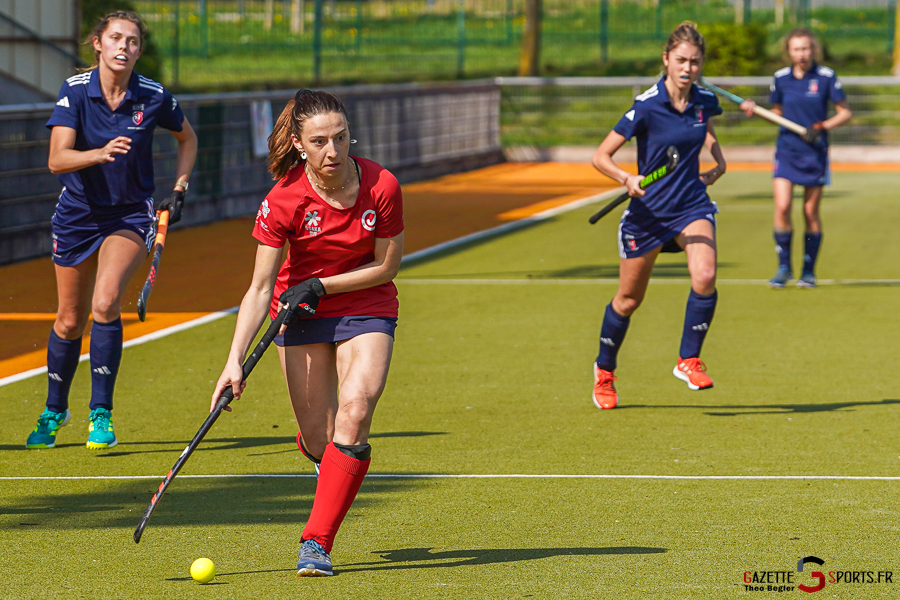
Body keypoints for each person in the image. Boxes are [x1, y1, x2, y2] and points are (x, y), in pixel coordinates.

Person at [211, 89, 404, 577]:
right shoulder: (283, 199)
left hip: (365, 303)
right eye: (319, 142)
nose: (333, 151)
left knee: (355, 412)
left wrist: (322, 284)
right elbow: (259, 289)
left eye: (341, 137)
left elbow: (386, 266)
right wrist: (233, 361)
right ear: (298, 144)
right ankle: (318, 451)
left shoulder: (381, 185)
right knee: (323, 440)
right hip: (300, 314)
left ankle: (316, 542)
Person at [26, 11, 197, 449]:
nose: (124, 46)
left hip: (129, 215)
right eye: (116, 38)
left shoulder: (153, 95)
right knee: (69, 319)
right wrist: (97, 153)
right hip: (77, 215)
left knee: (104, 303)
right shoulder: (75, 90)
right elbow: (56, 159)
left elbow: (188, 138)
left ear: (139, 50)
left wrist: (179, 188)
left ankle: (100, 413)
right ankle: (54, 409)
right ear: (98, 43)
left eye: (133, 41)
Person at [590, 22, 727, 409]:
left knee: (705, 274)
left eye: (695, 62)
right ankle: (604, 370)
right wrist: (626, 178)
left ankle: (688, 360)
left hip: (691, 204)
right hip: (648, 214)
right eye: (681, 60)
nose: (688, 68)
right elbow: (601, 156)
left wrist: (719, 162)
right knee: (628, 300)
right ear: (666, 59)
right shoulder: (646, 105)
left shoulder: (703, 99)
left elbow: (705, 127)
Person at [739, 28, 852, 289]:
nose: (802, 54)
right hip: (787, 150)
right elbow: (777, 111)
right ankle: (784, 268)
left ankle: (808, 271)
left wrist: (821, 127)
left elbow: (844, 112)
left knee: (810, 212)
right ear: (788, 52)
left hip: (815, 151)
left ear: (813, 50)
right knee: (782, 207)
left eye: (805, 48)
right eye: (796, 49)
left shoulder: (826, 77)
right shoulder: (781, 78)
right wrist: (756, 110)